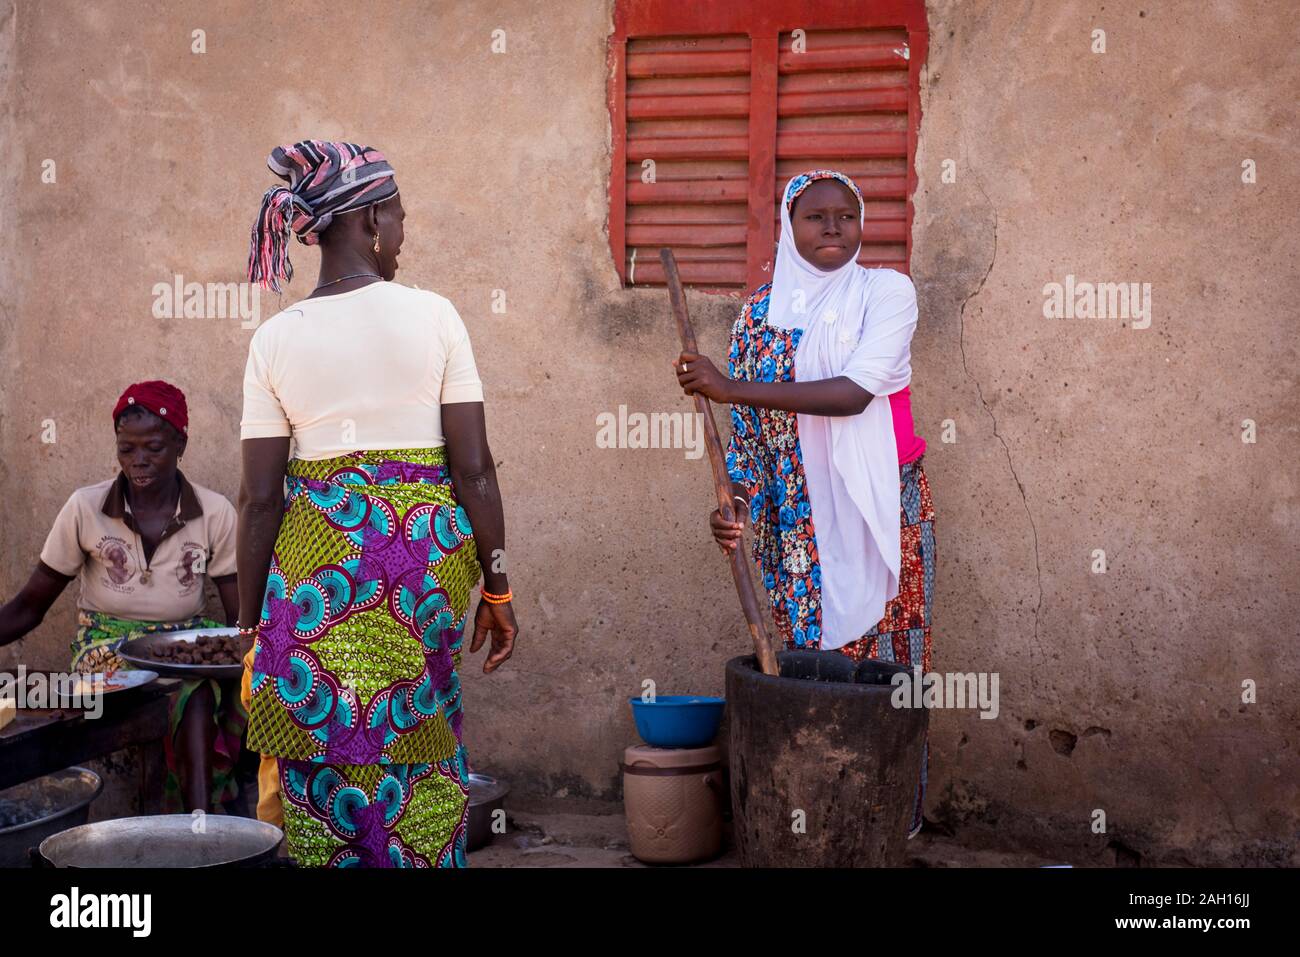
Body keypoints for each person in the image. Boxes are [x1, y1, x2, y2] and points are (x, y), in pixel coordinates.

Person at [239, 139, 518, 867]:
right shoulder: (436, 317)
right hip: (420, 564)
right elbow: (476, 470)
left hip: (313, 569)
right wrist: (498, 584)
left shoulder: (275, 338)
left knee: (320, 739)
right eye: (396, 216)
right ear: (366, 221)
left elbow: (261, 498)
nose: (403, 232)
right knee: (418, 736)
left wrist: (249, 618)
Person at [675, 169, 935, 838]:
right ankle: (815, 825)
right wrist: (734, 500)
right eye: (815, 216)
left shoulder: (887, 293)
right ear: (788, 227)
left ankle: (882, 829)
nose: (832, 227)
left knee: (889, 675)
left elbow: (852, 394)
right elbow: (752, 449)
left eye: (846, 215)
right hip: (795, 525)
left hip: (886, 511)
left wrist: (732, 387)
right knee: (815, 674)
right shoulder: (757, 317)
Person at [0, 380, 246, 812]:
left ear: (180, 443)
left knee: (201, 690)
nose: (138, 462)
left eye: (153, 447)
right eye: (126, 449)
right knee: (192, 691)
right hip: (105, 652)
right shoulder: (86, 507)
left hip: (184, 646)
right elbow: (29, 607)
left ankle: (202, 826)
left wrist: (247, 659)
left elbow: (237, 616)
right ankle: (202, 824)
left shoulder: (214, 512)